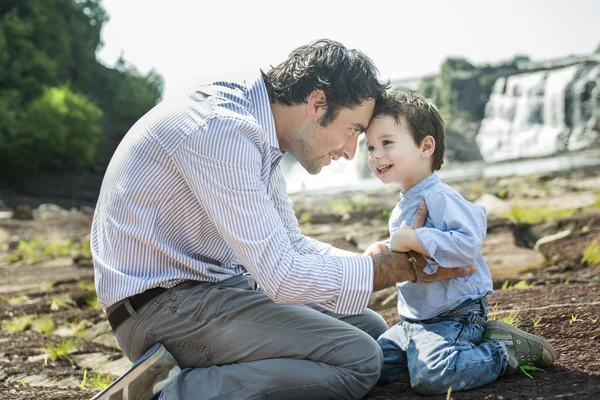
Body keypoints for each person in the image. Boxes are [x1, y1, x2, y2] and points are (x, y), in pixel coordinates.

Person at [90, 39, 477, 400]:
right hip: (159, 309)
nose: (349, 151)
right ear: (317, 103)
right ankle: (167, 392)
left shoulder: (257, 130)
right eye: (354, 130)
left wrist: (369, 261)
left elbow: (290, 245)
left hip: (212, 291)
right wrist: (395, 269)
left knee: (371, 328)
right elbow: (282, 275)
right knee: (360, 360)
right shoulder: (222, 130)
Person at [363, 91, 557, 395]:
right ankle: (437, 352)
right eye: (370, 146)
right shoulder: (407, 200)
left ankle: (503, 352)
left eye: (386, 143)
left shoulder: (440, 196)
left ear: (426, 146)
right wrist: (386, 248)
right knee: (371, 365)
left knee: (432, 377)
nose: (375, 155)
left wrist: (415, 237)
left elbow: (467, 245)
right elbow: (415, 248)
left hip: (454, 316)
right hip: (415, 322)